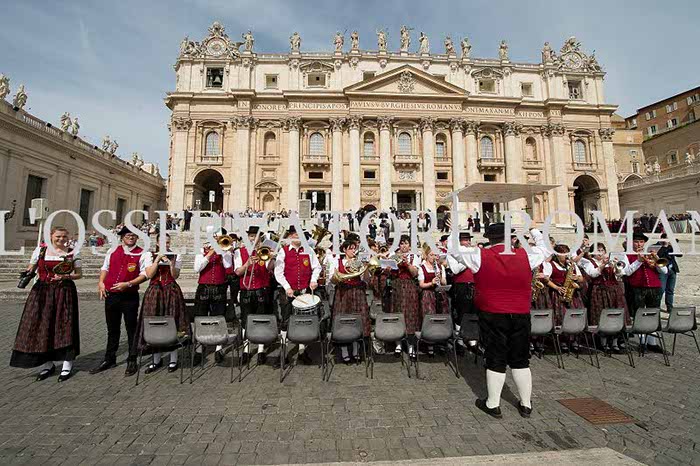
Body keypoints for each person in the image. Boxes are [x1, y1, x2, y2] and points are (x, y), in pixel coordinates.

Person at [451, 222, 547, 419]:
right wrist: (534, 230)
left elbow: (455, 250)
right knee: (521, 359)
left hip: (492, 314)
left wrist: (454, 231)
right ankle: (526, 404)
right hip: (520, 313)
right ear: (510, 238)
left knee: (495, 357)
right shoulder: (526, 255)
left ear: (489, 238)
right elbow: (545, 248)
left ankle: (493, 403)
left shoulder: (479, 255)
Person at [11, 227, 82, 382]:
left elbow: (79, 274)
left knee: (65, 325)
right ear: (51, 236)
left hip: (64, 291)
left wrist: (66, 276)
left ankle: (67, 364)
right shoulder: (40, 251)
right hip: (42, 291)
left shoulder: (72, 252)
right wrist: (27, 273)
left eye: (64, 236)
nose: (61, 239)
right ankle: (47, 364)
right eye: (58, 236)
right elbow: (31, 268)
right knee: (41, 325)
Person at [91, 227, 152, 376]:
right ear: (122, 237)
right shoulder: (112, 251)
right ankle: (109, 358)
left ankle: (132, 359)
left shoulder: (143, 253)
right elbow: (105, 268)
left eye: (133, 235)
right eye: (128, 235)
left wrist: (129, 284)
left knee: (131, 328)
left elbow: (145, 274)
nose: (131, 237)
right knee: (112, 329)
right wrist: (101, 283)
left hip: (129, 296)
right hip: (111, 295)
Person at [135, 234, 188, 373]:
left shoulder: (175, 255)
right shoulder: (149, 255)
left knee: (172, 322)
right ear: (157, 242)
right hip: (155, 291)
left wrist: (170, 263)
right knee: (155, 322)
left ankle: (173, 359)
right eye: (163, 242)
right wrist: (158, 259)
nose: (166, 244)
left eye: (168, 242)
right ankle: (156, 359)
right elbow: (149, 274)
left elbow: (175, 275)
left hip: (171, 291)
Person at [274, 226, 322, 366]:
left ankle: (302, 351)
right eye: (296, 235)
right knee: (285, 321)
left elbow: (317, 267)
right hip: (288, 292)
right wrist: (287, 287)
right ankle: (283, 352)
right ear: (290, 237)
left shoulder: (308, 250)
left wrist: (313, 280)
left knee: (302, 320)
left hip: (304, 291)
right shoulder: (283, 251)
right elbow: (278, 272)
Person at [578, 243, 630, 352]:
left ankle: (615, 342)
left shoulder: (610, 262)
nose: (600, 253)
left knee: (615, 315)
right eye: (597, 251)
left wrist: (616, 267)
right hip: (599, 292)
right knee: (601, 316)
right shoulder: (589, 262)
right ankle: (603, 343)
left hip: (614, 292)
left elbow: (620, 275)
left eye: (602, 250)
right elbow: (593, 274)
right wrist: (602, 265)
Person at [234, 226, 275, 365]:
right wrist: (247, 264)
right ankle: (246, 350)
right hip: (246, 290)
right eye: (251, 236)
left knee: (261, 319)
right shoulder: (239, 252)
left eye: (256, 236)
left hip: (261, 290)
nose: (253, 239)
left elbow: (269, 268)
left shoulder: (265, 251)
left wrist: (273, 258)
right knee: (245, 320)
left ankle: (261, 349)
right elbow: (238, 272)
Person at [193, 229, 233, 364]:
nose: (217, 238)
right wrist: (210, 253)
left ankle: (218, 348)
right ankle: (199, 349)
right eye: (215, 236)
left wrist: (225, 252)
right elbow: (197, 268)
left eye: (219, 236)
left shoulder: (225, 250)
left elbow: (228, 266)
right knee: (200, 317)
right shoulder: (201, 250)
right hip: (204, 287)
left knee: (219, 317)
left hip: (219, 287)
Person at [624, 232, 667, 352]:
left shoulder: (650, 254)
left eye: (641, 242)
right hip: (637, 288)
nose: (639, 244)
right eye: (636, 242)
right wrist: (638, 261)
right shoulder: (627, 255)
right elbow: (627, 272)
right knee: (640, 315)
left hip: (655, 287)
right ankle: (642, 342)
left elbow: (664, 271)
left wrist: (656, 258)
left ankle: (652, 342)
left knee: (653, 314)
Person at [328, 239, 370, 363]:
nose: (353, 251)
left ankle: (356, 349)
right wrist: (338, 277)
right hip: (343, 292)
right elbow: (332, 280)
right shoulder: (337, 262)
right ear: (344, 250)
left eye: (355, 248)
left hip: (358, 292)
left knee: (358, 319)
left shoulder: (359, 262)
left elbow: (366, 280)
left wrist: (366, 267)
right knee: (343, 320)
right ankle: (344, 350)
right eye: (351, 248)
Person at [545, 244, 586, 352]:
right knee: (561, 316)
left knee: (574, 316)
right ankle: (562, 341)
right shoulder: (551, 264)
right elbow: (546, 279)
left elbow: (582, 278)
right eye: (563, 254)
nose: (566, 256)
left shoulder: (572, 264)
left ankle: (574, 340)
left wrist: (577, 278)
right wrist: (557, 287)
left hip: (573, 295)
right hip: (559, 294)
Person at [389, 234, 421, 359]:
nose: (403, 246)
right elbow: (390, 272)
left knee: (411, 316)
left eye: (406, 243)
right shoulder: (393, 256)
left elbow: (415, 273)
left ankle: (411, 345)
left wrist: (407, 263)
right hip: (397, 287)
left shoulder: (414, 257)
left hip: (410, 287)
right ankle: (398, 344)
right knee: (397, 313)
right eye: (401, 244)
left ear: (410, 245)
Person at [446, 232, 476, 348]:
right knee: (461, 312)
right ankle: (459, 339)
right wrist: (468, 261)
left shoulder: (471, 252)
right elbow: (455, 269)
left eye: (469, 239)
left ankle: (472, 337)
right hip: (461, 285)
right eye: (465, 240)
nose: (468, 242)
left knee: (473, 311)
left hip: (474, 284)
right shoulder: (452, 254)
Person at [417, 243, 448, 356]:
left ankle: (441, 341)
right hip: (428, 295)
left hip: (440, 294)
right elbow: (421, 284)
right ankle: (429, 344)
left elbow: (444, 282)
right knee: (429, 317)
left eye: (435, 255)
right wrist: (431, 282)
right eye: (431, 255)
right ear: (426, 255)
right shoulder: (422, 267)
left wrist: (440, 277)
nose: (433, 257)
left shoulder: (440, 267)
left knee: (441, 316)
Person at [655, 233, 680, 312]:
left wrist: (674, 246)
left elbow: (679, 254)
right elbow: (658, 255)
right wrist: (664, 246)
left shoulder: (671, 247)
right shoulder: (656, 246)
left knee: (670, 290)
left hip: (672, 270)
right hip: (662, 270)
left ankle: (669, 307)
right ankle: (656, 306)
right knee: (661, 290)